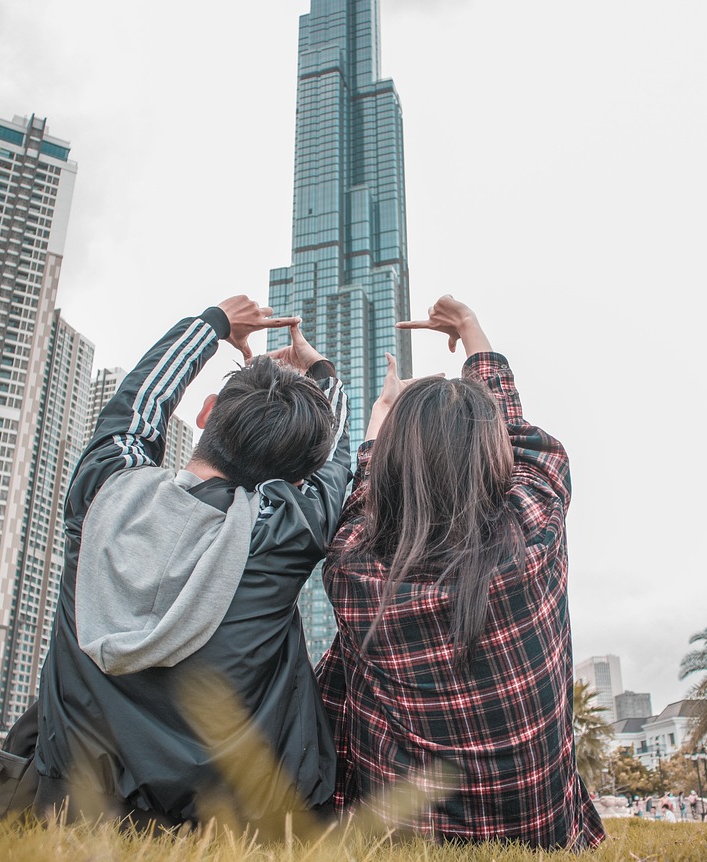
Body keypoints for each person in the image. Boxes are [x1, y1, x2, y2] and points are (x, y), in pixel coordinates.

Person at [33, 296, 351, 826]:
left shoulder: (102, 495)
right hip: (241, 823)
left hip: (75, 814)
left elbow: (137, 406)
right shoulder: (286, 531)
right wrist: (322, 375)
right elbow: (338, 455)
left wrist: (214, 325)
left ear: (207, 416)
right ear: (296, 476)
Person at [316, 295, 606, 850]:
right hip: (544, 837)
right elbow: (521, 437)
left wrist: (381, 423)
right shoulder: (536, 526)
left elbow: (362, 498)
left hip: (413, 840)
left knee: (342, 669)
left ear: (392, 467)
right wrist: (472, 333)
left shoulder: (353, 572)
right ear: (492, 454)